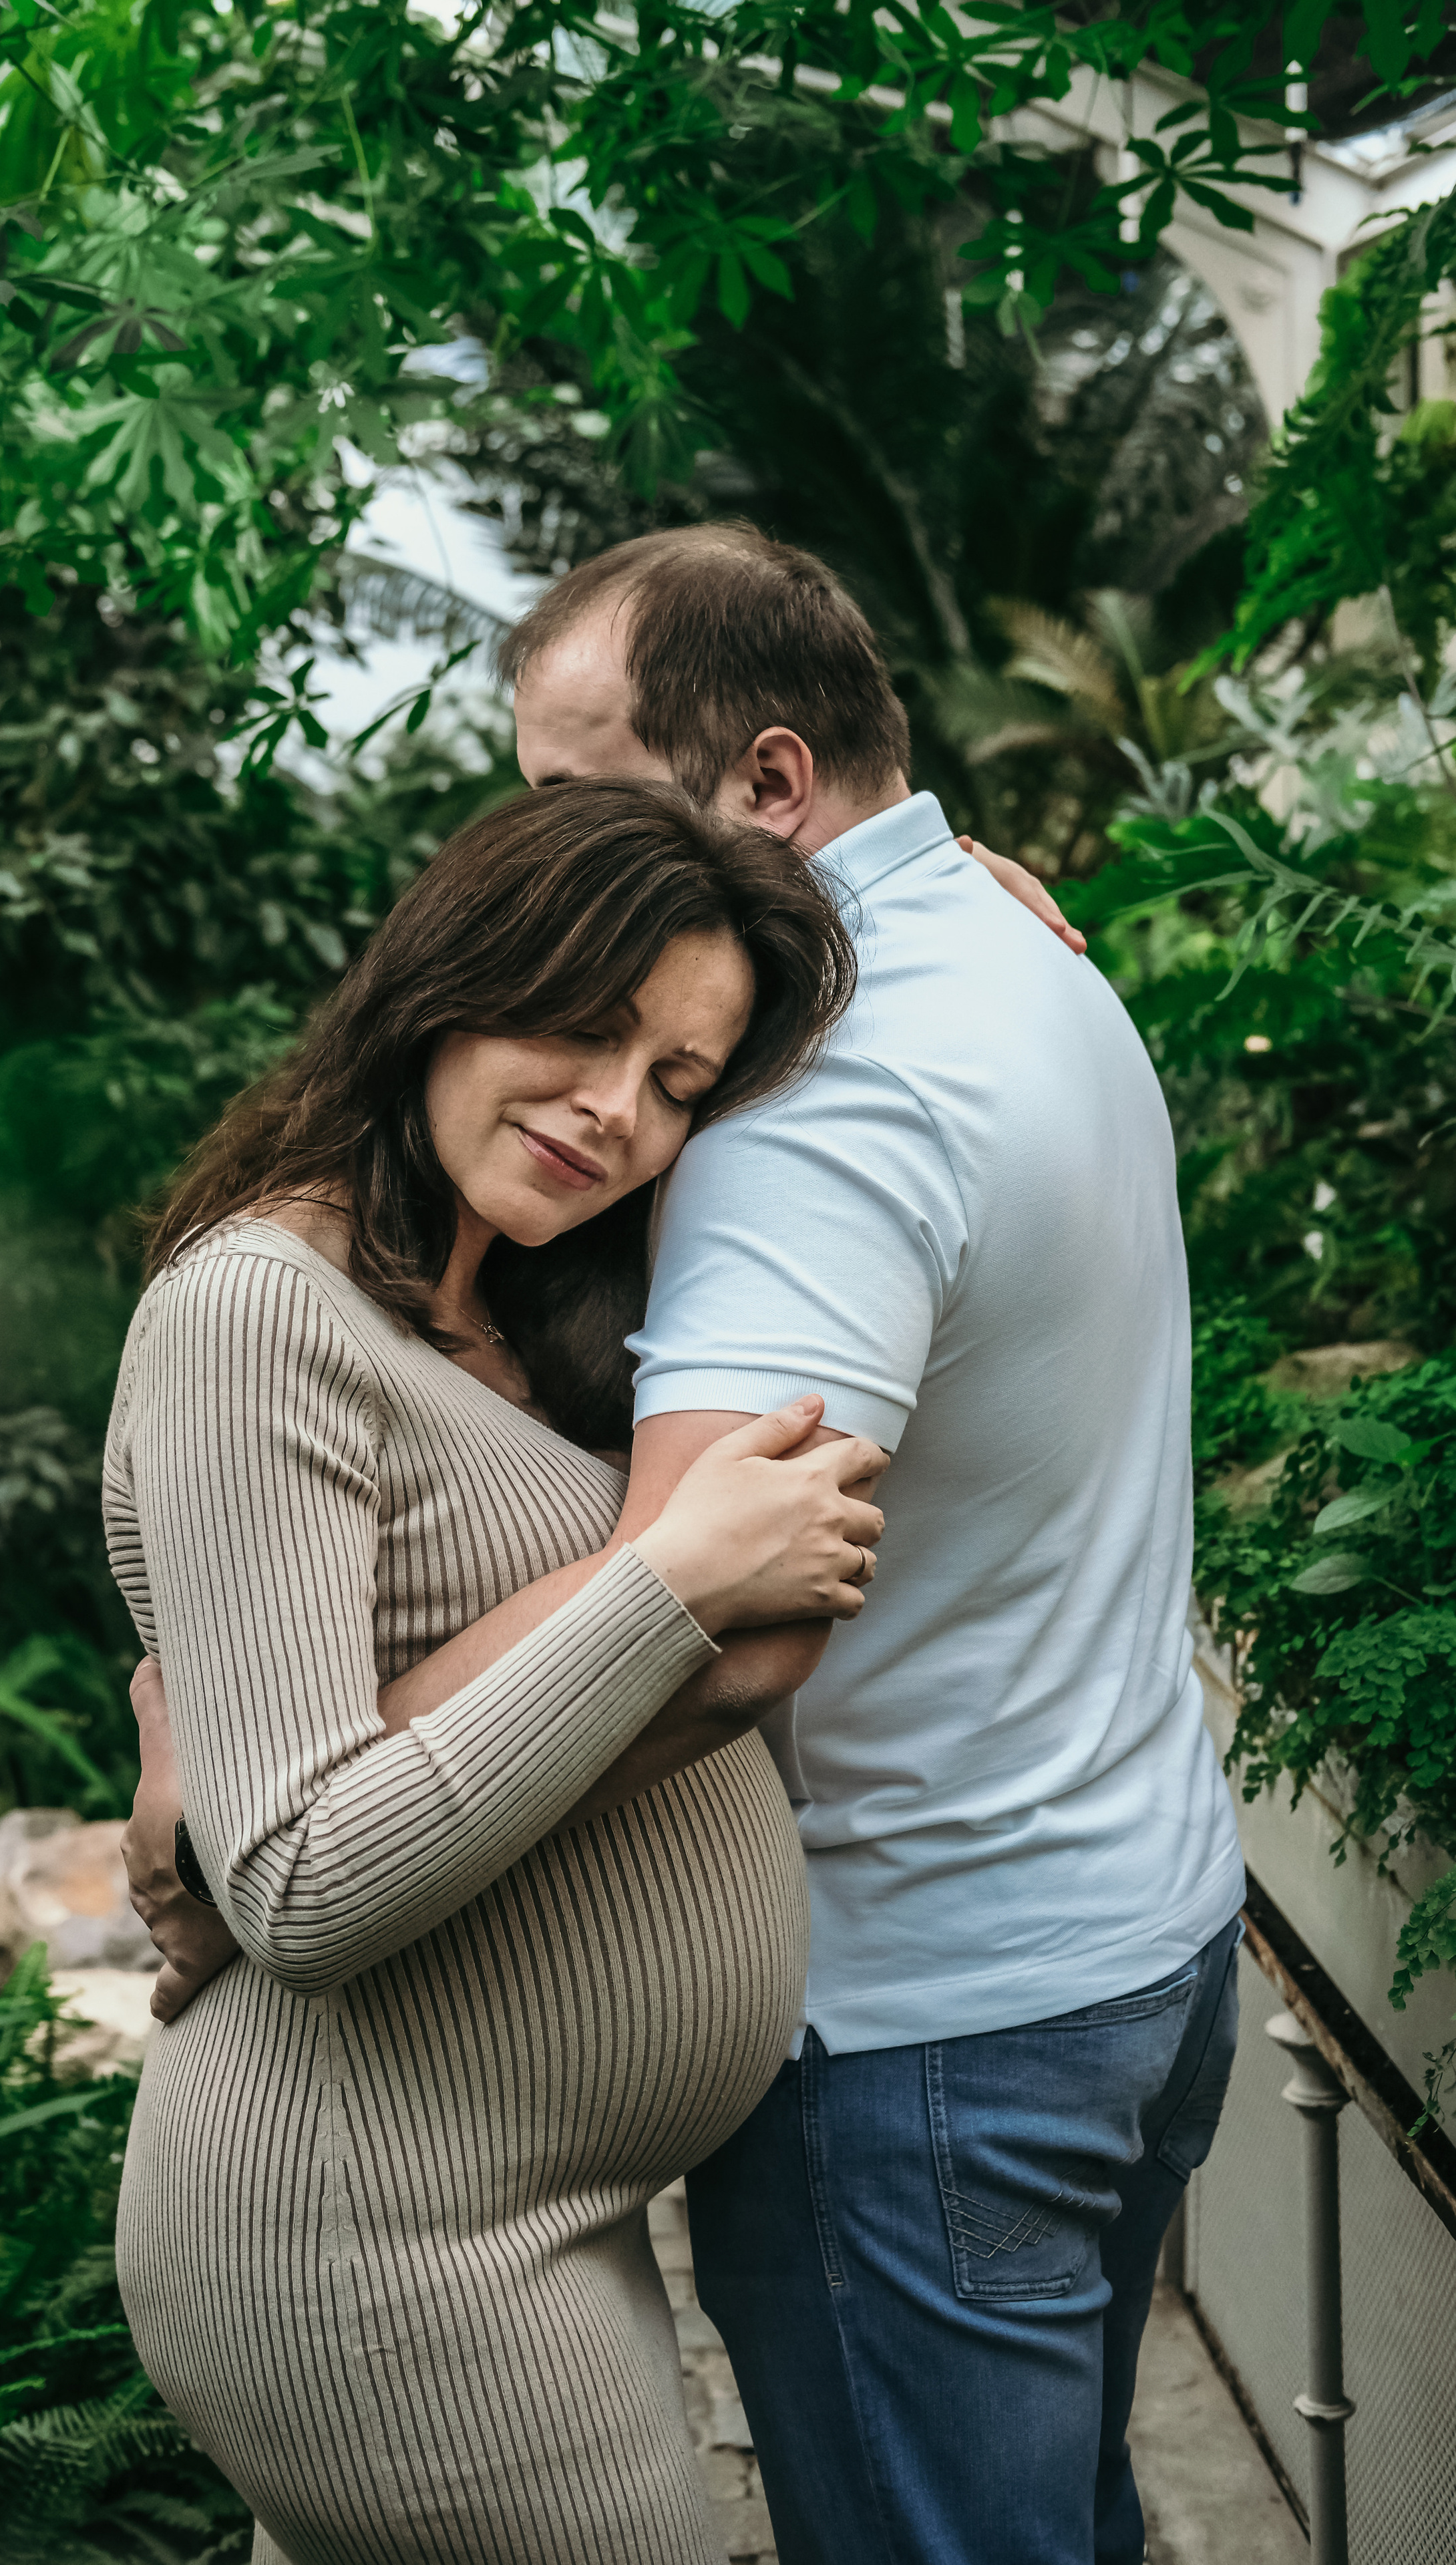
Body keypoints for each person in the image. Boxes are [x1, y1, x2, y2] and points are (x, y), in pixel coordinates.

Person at [130, 522, 1243, 2565]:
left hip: (933, 2034)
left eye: (571, 797)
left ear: (770, 791)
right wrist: (207, 1709)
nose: (530, 845)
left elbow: (729, 1630)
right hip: (1108, 1934)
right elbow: (353, 1542)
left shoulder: (813, 1101)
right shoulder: (993, 972)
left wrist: (261, 1758)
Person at [104, 776, 892, 2565]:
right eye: (587, 1029)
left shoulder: (503, 1310)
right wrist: (670, 1580)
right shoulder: (257, 1315)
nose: (617, 1111)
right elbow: (297, 1879)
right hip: (372, 2243)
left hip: (501, 2207)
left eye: (680, 1082)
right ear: (456, 972)